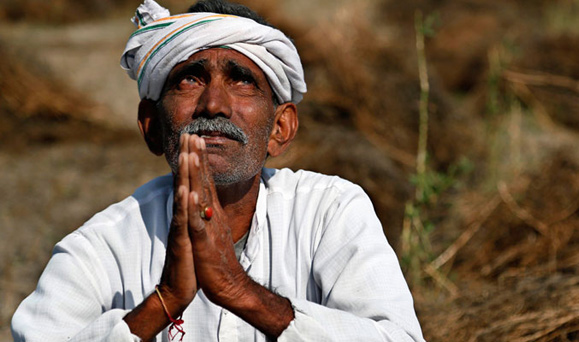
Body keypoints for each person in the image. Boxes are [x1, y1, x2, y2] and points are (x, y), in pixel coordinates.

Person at [11, 0, 425, 341]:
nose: (214, 104)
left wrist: (239, 290)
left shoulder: (330, 213)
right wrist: (164, 300)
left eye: (241, 81)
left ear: (280, 129)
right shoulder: (99, 249)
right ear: (152, 127)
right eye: (190, 80)